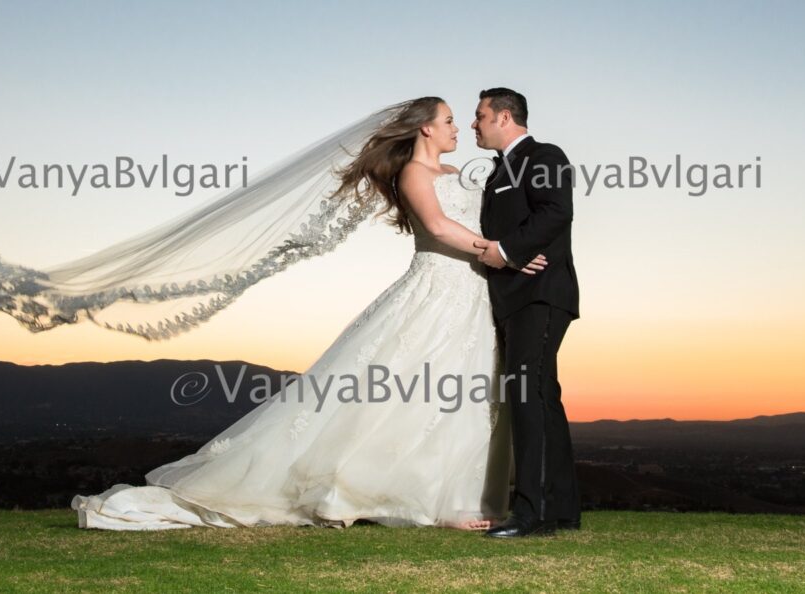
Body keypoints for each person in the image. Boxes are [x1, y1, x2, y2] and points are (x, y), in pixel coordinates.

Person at [69, 97, 551, 531]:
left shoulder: (466, 175)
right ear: (424, 129)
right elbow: (438, 226)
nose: (458, 127)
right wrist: (501, 251)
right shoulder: (414, 174)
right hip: (436, 288)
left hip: (474, 294)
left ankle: (460, 497)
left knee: (461, 394)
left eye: (464, 120)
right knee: (404, 385)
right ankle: (418, 501)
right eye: (448, 120)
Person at [472, 88, 582, 538]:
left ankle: (531, 514)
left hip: (540, 294)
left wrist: (510, 251)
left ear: (503, 116)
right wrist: (502, 253)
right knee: (541, 397)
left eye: (479, 116)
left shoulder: (544, 155)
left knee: (528, 397)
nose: (474, 125)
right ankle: (560, 509)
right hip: (516, 297)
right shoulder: (498, 171)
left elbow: (557, 211)